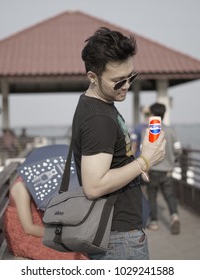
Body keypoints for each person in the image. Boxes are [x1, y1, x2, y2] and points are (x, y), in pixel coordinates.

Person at [71, 27, 166, 260]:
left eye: (131, 77)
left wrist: (133, 167)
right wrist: (144, 161)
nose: (126, 85)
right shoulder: (99, 119)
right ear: (93, 77)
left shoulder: (99, 106)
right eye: (117, 81)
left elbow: (110, 161)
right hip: (118, 239)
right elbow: (94, 186)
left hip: (117, 235)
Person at [3, 175, 88, 260]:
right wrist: (61, 234)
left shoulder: (37, 182)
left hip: (41, 229)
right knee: (73, 257)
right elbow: (29, 228)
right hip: (26, 237)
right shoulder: (21, 187)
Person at [146, 102, 182, 234]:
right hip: (167, 171)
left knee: (152, 196)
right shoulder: (171, 130)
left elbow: (145, 150)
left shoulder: (151, 131)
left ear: (153, 114)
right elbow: (178, 150)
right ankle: (174, 216)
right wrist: (172, 160)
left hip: (153, 170)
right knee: (170, 196)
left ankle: (154, 222)